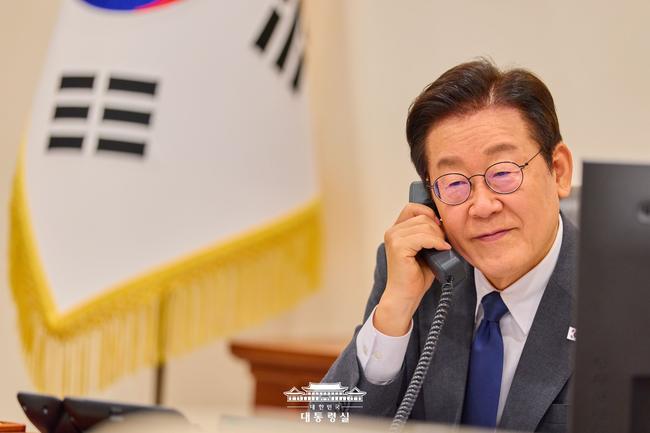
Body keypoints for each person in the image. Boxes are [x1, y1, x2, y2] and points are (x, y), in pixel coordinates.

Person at [323, 59, 575, 433]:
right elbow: (325, 420)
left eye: (503, 173)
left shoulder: (626, 292)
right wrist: (394, 311)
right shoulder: (416, 275)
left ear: (559, 171)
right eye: (455, 183)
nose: (483, 206)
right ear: (429, 198)